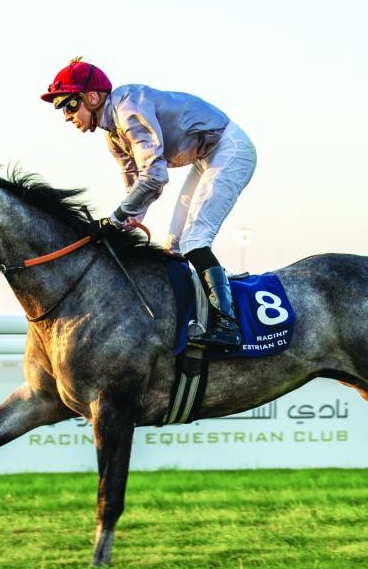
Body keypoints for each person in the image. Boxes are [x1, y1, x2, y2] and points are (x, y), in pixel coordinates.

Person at [41, 57, 257, 352]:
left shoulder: (128, 110)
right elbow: (136, 188)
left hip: (229, 149)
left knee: (195, 239)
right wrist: (123, 223)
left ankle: (228, 325)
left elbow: (155, 176)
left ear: (91, 97)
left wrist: (115, 219)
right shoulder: (113, 136)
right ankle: (191, 318)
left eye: (68, 105)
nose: (66, 116)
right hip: (205, 157)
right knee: (174, 245)